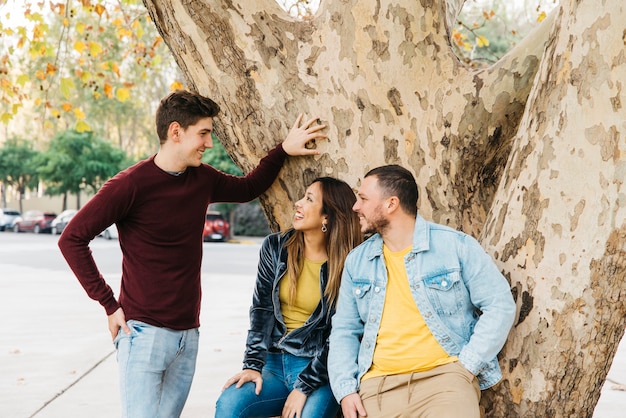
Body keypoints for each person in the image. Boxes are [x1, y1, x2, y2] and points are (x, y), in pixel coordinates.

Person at [57, 90, 327, 418]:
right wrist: (108, 303)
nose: (209, 143)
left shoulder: (202, 178)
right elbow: (72, 239)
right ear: (175, 132)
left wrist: (283, 149)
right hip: (143, 335)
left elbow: (247, 188)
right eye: (203, 133)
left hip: (188, 336)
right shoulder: (130, 185)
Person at [328, 165, 516, 418]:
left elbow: (499, 304)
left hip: (445, 381)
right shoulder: (357, 261)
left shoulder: (454, 246)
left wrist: (467, 366)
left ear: (391, 204)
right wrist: (346, 390)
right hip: (378, 387)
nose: (355, 207)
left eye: (362, 199)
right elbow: (344, 330)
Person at [215, 177, 363, 418]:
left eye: (308, 199)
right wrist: (252, 365)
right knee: (230, 405)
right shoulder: (275, 247)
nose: (298, 203)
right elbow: (261, 310)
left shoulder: (349, 262)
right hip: (272, 363)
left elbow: (341, 334)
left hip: (318, 367)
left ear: (326, 217)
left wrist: (303, 386)